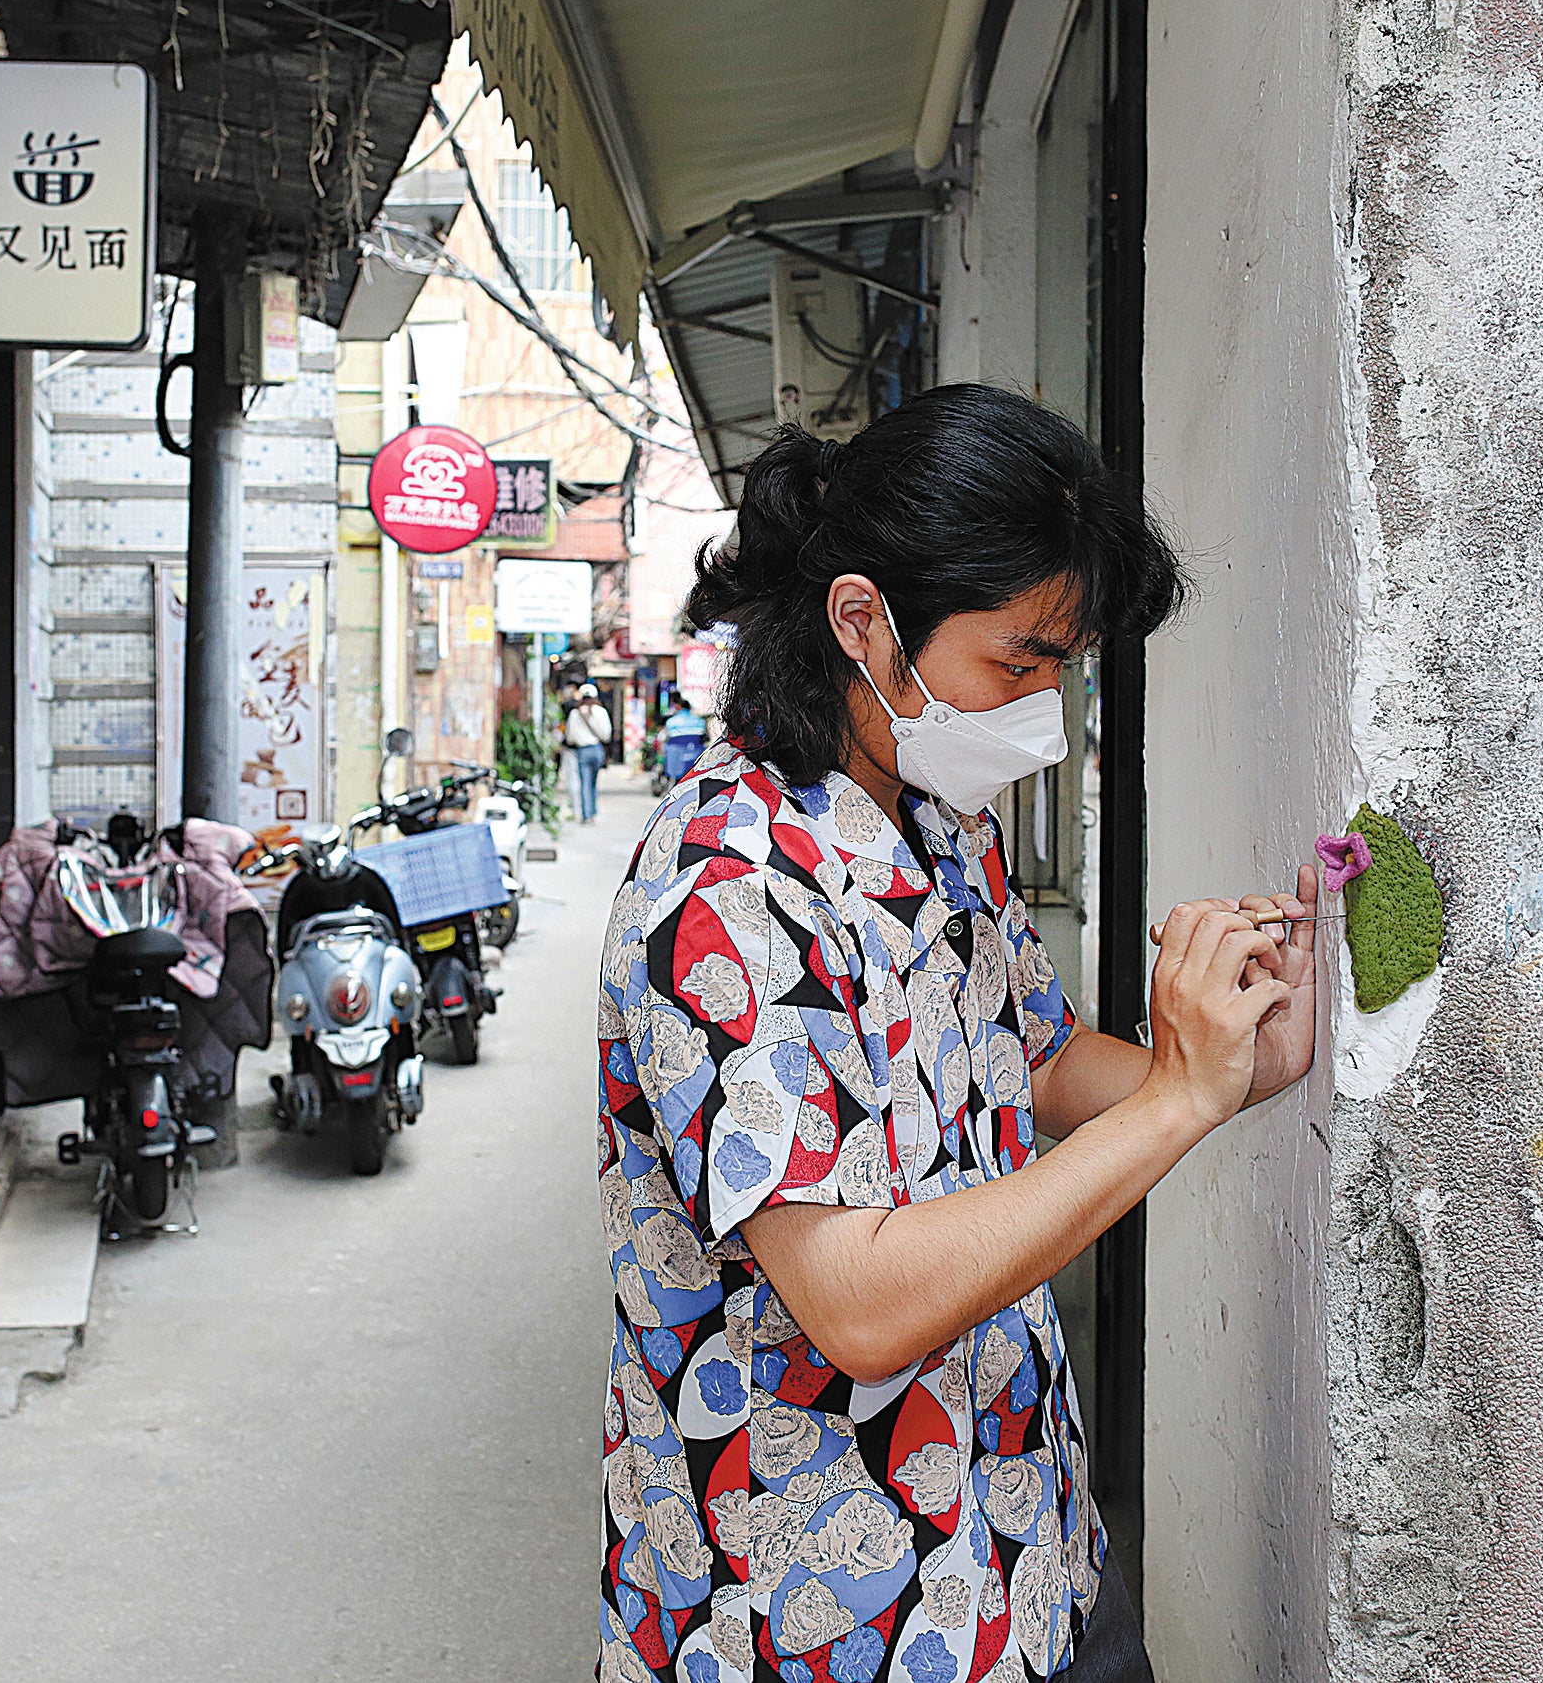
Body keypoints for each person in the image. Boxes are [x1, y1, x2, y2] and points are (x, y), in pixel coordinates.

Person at [594, 384, 1318, 1683]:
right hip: (822, 1617)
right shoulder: (719, 892)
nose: (1045, 710)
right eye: (1020, 662)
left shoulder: (936, 820)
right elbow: (856, 1304)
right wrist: (1174, 1107)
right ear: (861, 621)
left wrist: (1227, 1059)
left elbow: (1025, 1060)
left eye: (1065, 668)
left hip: (1025, 1556)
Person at [565, 682, 613, 824]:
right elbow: (606, 735)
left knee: (585, 783)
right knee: (593, 782)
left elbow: (570, 737)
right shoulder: (601, 712)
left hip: (582, 751)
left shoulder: (574, 714)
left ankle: (587, 815)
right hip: (597, 749)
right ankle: (592, 811)